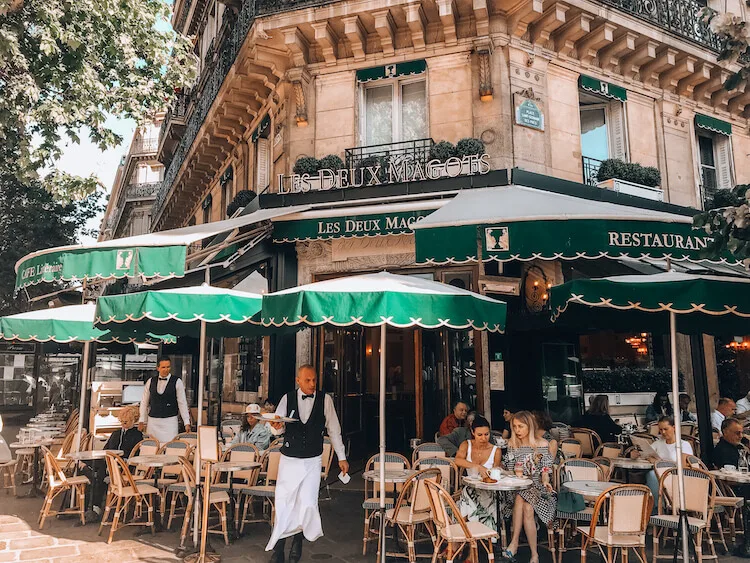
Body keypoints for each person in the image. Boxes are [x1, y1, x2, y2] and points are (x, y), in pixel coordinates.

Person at [265, 365, 348, 563]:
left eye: (314, 380)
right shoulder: (287, 398)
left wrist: (342, 456)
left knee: (308, 504)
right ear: (298, 380)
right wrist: (275, 427)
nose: (312, 384)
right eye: (308, 380)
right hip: (289, 460)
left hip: (312, 460)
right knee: (284, 504)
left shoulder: (325, 400)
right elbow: (276, 429)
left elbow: (334, 429)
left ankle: (297, 544)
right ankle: (278, 550)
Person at [502, 411, 556, 563]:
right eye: (515, 427)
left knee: (524, 503)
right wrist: (503, 471)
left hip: (538, 488)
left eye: (521, 426)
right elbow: (511, 469)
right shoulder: (513, 444)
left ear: (530, 426)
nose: (517, 430)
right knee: (524, 502)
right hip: (517, 488)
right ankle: (534, 554)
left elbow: (546, 469)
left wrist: (545, 480)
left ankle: (514, 543)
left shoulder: (543, 444)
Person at [85, 405, 143, 520]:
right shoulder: (116, 434)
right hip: (110, 464)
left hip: (124, 467)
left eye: (125, 422)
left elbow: (134, 456)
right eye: (121, 422)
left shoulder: (137, 436)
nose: (123, 425)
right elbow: (105, 450)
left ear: (133, 421)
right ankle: (93, 506)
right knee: (94, 466)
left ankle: (95, 508)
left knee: (99, 474)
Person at [455, 415, 502, 530]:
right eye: (479, 435)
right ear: (472, 432)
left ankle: (473, 537)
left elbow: (495, 472)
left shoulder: (496, 450)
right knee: (468, 494)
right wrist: (477, 466)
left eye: (486, 434)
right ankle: (472, 537)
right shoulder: (466, 445)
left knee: (470, 499)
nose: (483, 438)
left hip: (489, 491)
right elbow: (457, 460)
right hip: (471, 488)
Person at [637, 416, 693, 505]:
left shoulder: (683, 445)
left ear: (674, 428)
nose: (663, 432)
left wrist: (659, 462)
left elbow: (684, 466)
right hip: (660, 475)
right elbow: (647, 453)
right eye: (660, 430)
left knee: (651, 475)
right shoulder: (659, 443)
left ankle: (655, 507)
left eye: (666, 429)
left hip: (675, 476)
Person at [138, 357, 190, 444]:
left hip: (170, 421)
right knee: (152, 447)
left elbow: (182, 403)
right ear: (157, 368)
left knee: (170, 447)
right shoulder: (150, 381)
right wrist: (141, 419)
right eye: (163, 367)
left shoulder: (177, 381)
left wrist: (186, 422)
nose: (166, 370)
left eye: (168, 367)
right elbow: (144, 402)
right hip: (153, 422)